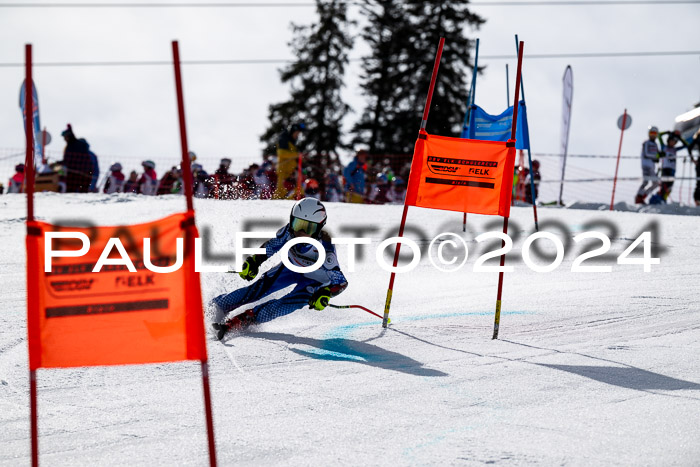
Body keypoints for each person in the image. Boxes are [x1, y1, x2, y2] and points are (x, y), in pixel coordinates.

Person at [210, 198, 348, 340]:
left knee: (280, 307)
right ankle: (216, 306)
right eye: (298, 224)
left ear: (319, 228)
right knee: (255, 290)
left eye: (308, 228)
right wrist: (254, 261)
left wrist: (325, 293)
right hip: (290, 268)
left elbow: (341, 282)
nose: (301, 232)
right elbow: (272, 246)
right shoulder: (288, 232)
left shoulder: (325, 249)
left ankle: (241, 320)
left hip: (313, 282)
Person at [274, 122, 306, 199]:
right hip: (283, 171)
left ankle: (288, 204)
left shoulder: (292, 142)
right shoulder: (283, 139)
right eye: (296, 133)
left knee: (299, 190)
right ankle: (274, 205)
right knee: (280, 192)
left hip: (291, 172)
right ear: (292, 131)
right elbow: (282, 154)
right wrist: (297, 155)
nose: (297, 135)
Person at [657, 130, 689, 201]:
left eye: (675, 142)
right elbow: (659, 135)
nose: (673, 143)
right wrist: (667, 132)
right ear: (668, 140)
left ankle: (664, 199)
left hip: (672, 170)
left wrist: (679, 137)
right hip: (665, 168)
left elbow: (686, 145)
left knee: (670, 186)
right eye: (672, 141)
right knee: (664, 185)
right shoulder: (664, 147)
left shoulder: (675, 149)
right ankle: (660, 199)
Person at [61, 124, 93, 193]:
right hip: (86, 174)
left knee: (71, 192)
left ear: (69, 136)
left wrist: (59, 164)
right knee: (83, 192)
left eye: (65, 137)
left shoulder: (71, 146)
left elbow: (68, 161)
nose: (64, 139)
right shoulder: (80, 145)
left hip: (74, 175)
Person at [635, 125, 661, 204]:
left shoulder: (656, 144)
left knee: (656, 183)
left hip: (652, 166)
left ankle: (643, 196)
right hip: (646, 165)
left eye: (654, 133)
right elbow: (646, 154)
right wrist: (656, 156)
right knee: (646, 181)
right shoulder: (646, 143)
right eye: (651, 132)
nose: (653, 134)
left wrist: (659, 156)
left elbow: (657, 156)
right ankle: (639, 198)